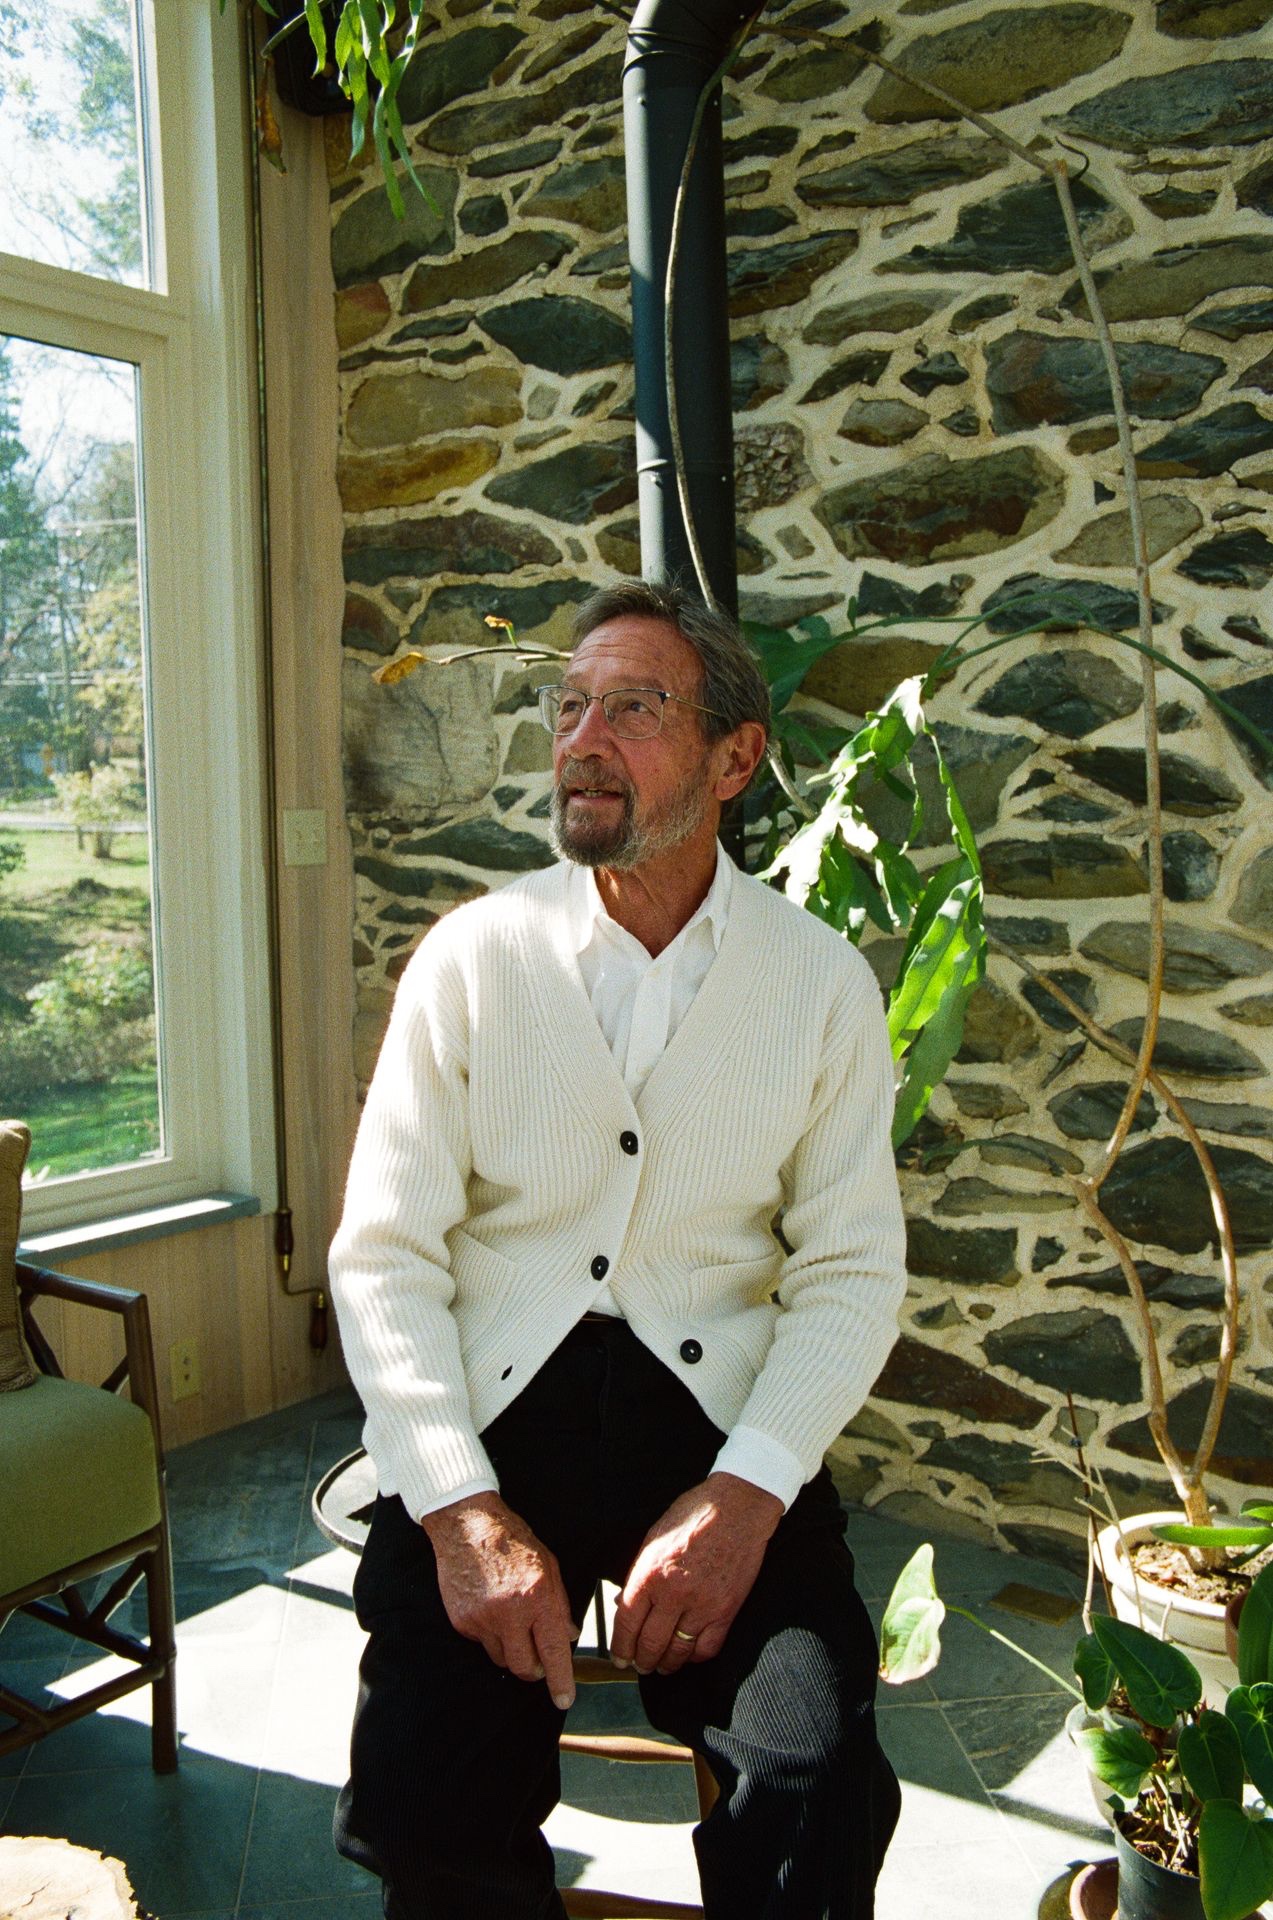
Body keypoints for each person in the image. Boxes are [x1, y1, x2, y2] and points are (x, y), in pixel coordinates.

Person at [329, 578, 907, 1920]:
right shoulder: (473, 958)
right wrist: (461, 1511)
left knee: (813, 1783)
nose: (580, 737)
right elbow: (384, 1251)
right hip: (493, 1411)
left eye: (631, 707)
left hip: (713, 1429)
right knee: (427, 1798)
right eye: (568, 704)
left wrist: (750, 1493)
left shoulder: (818, 982)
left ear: (732, 757)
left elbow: (850, 1269)